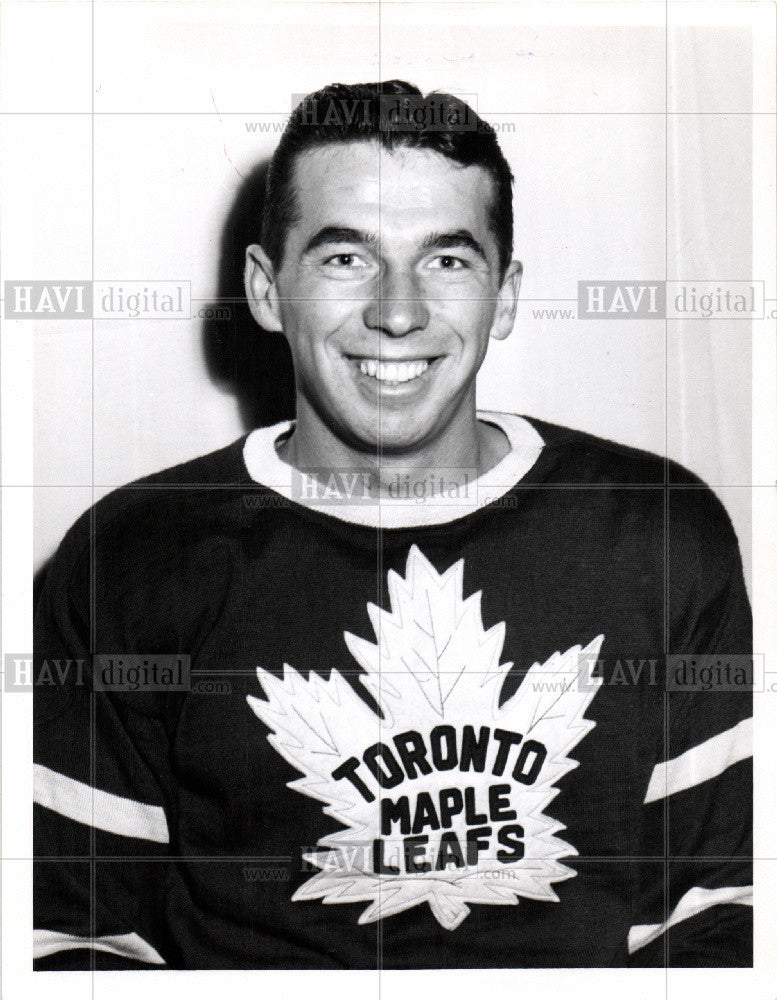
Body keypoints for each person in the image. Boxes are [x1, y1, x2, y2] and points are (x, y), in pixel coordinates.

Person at [33, 80, 752, 970]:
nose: (398, 311)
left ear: (506, 294)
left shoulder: (657, 529)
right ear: (265, 290)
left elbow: (725, 909)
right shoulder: (133, 555)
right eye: (346, 259)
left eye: (447, 260)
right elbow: (66, 933)